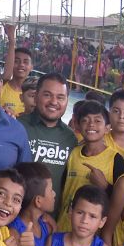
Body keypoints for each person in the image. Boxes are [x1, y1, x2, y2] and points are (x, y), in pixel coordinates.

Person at [60, 99, 124, 230]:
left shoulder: (115, 159)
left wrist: (105, 186)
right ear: (78, 126)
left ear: (107, 128)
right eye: (85, 120)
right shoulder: (72, 153)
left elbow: (123, 202)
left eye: (97, 120)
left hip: (93, 236)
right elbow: (63, 190)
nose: (91, 124)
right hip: (63, 229)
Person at [18, 72, 75, 200]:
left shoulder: (71, 138)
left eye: (60, 97)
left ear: (67, 101)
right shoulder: (17, 127)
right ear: (36, 96)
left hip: (51, 218)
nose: (54, 102)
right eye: (47, 95)